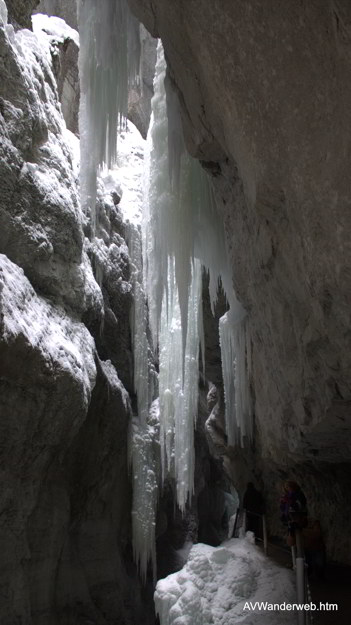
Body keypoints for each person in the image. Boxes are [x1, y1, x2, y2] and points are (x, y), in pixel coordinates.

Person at [280, 480, 308, 545]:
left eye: (288, 487)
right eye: (286, 487)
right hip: (290, 516)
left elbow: (301, 505)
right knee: (292, 533)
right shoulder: (287, 495)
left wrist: (291, 503)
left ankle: (299, 552)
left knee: (297, 534)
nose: (287, 488)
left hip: (297, 516)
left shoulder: (298, 494)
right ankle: (295, 552)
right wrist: (283, 503)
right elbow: (283, 507)